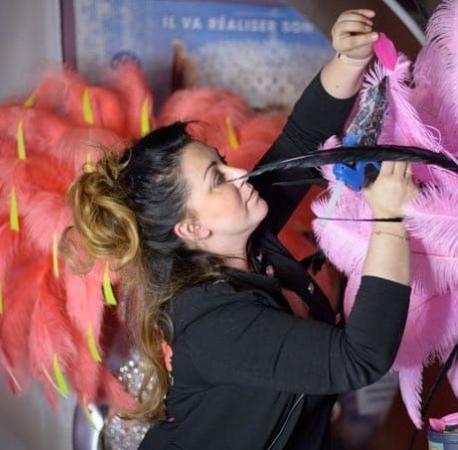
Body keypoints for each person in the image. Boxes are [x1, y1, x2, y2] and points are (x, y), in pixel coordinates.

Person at [64, 9, 417, 450]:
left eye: (220, 159)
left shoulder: (246, 239)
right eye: (217, 178)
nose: (239, 174)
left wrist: (347, 60)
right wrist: (389, 220)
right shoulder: (215, 323)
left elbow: (302, 140)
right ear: (191, 227)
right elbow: (359, 358)